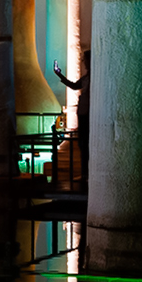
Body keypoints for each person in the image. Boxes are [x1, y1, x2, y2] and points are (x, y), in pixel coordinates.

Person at [53, 51, 90, 183]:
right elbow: (74, 86)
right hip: (83, 114)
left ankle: (87, 175)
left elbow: (75, 87)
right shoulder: (86, 78)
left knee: (86, 146)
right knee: (82, 145)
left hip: (87, 115)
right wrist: (59, 75)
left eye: (84, 60)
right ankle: (85, 174)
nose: (83, 63)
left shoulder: (92, 78)